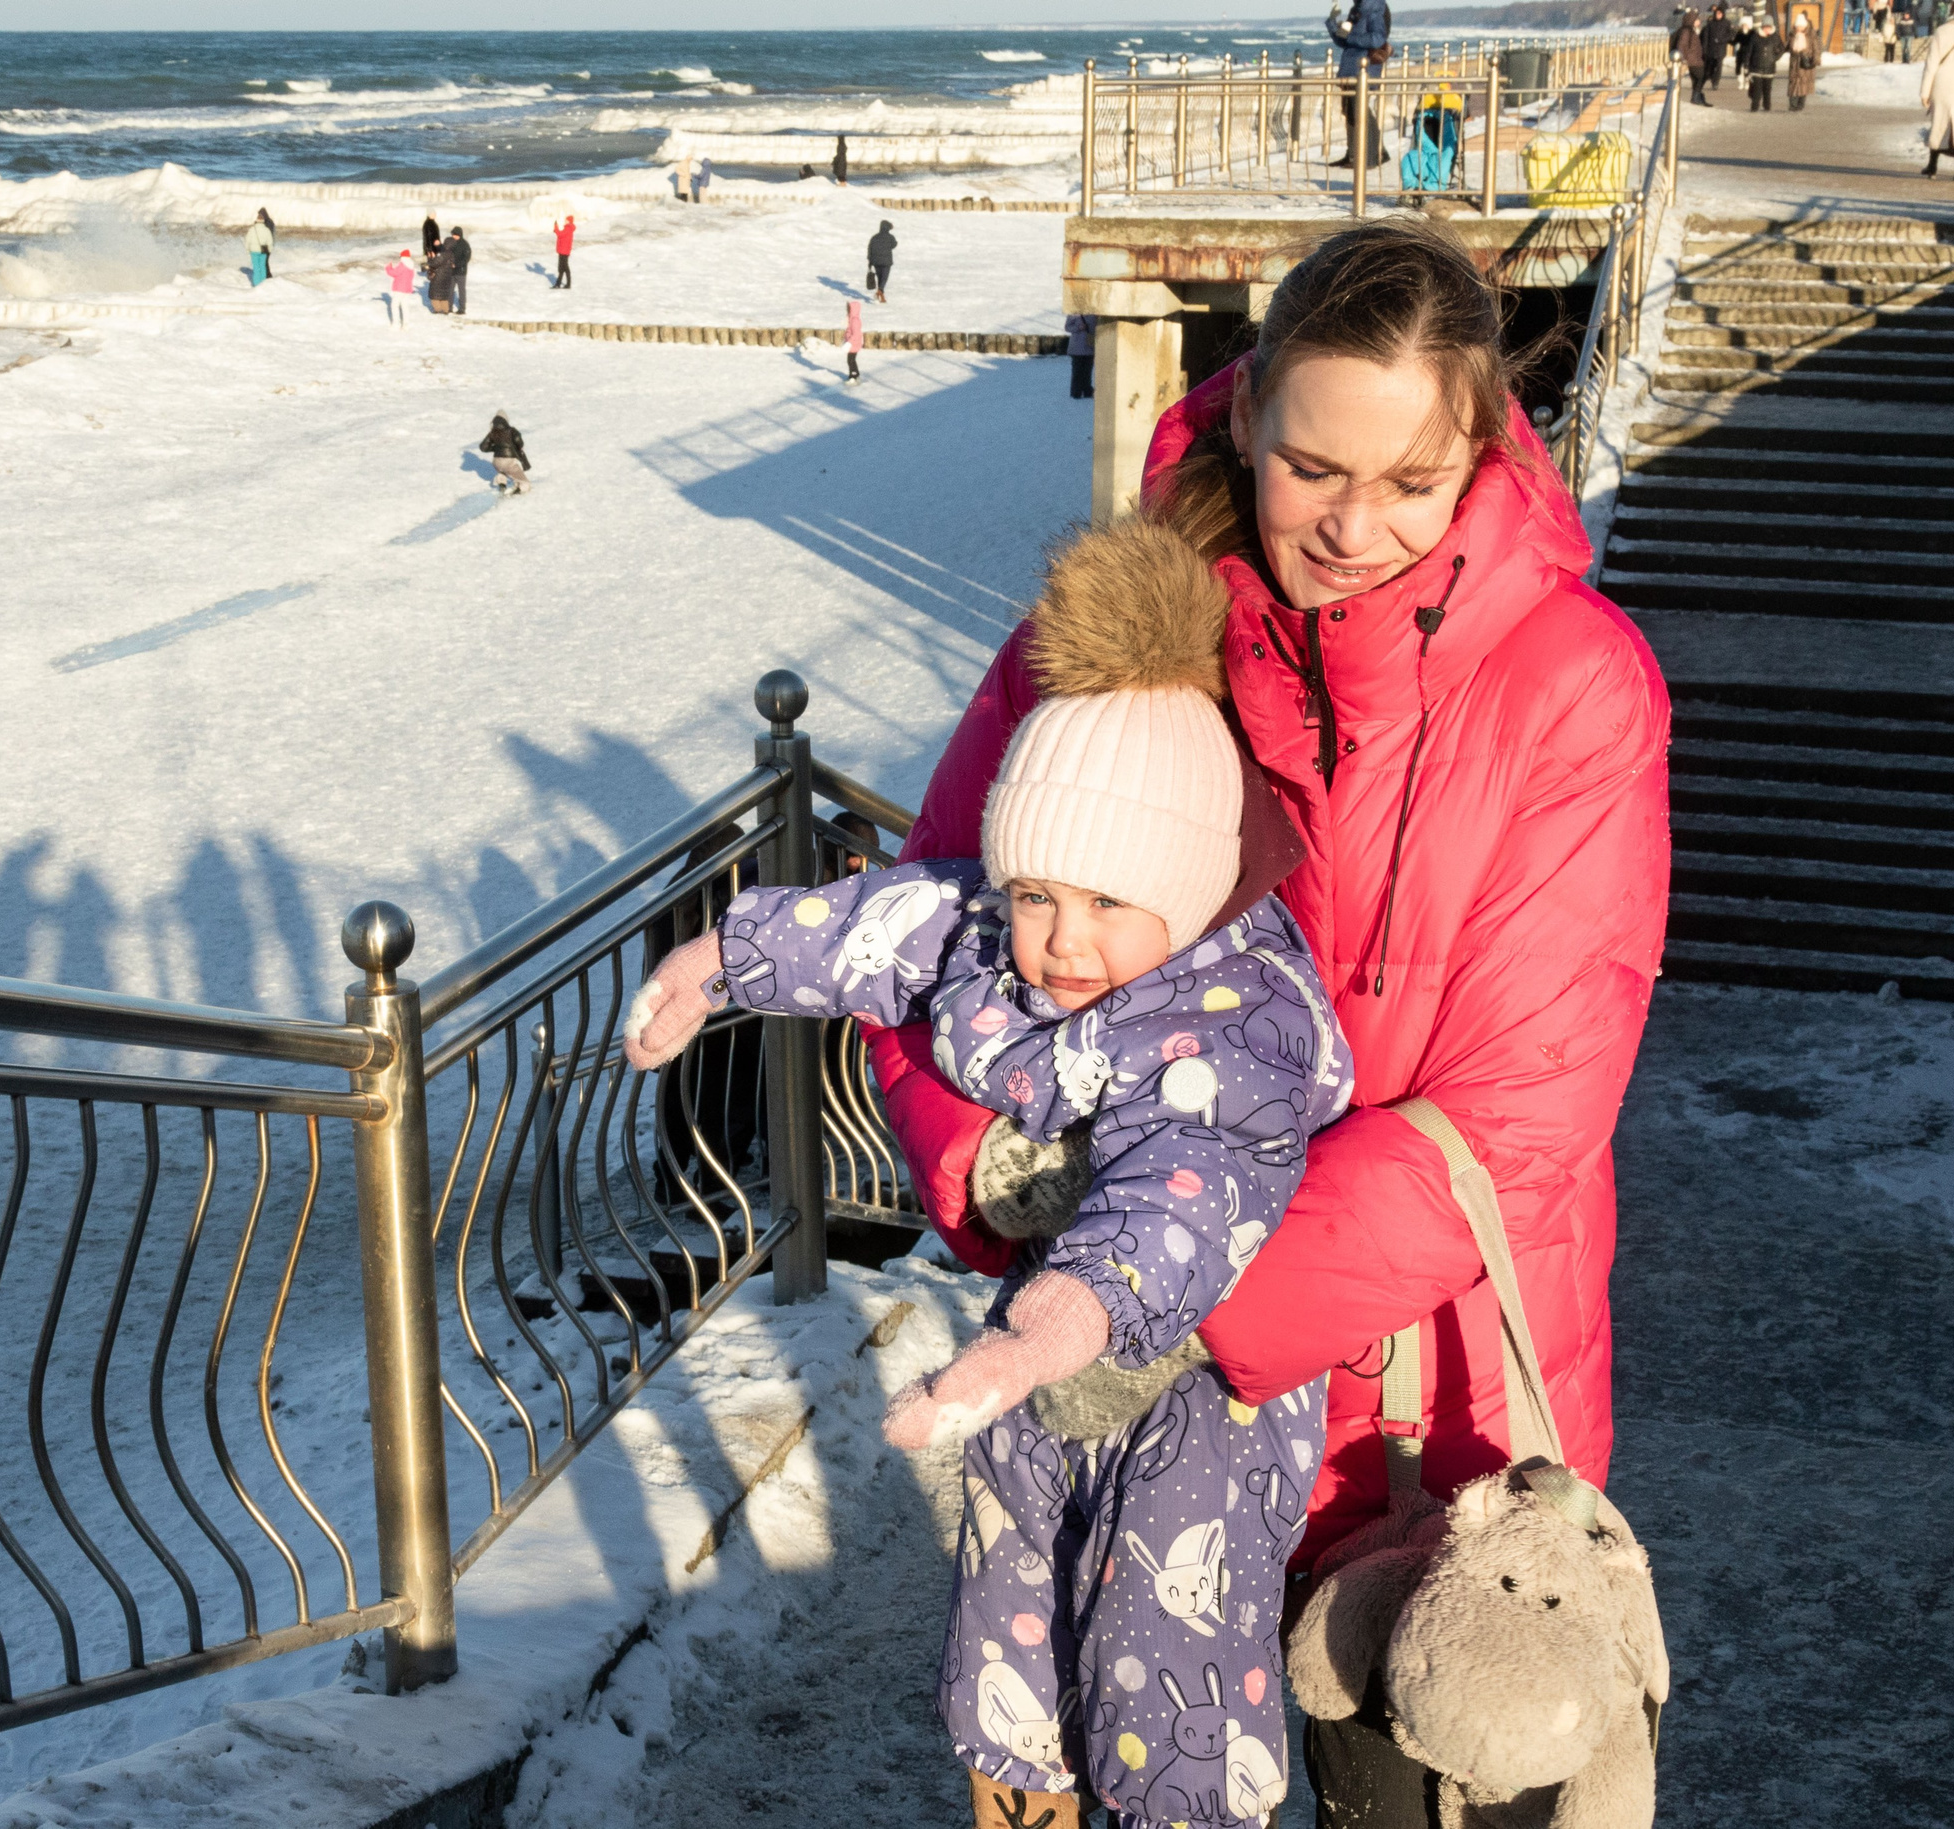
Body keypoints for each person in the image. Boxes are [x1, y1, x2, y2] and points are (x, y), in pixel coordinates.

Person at [865, 216, 1670, 1826]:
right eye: (1313, 470)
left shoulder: (1572, 685)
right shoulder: (1107, 642)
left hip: (1420, 1434)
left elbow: (1520, 1112)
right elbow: (933, 939)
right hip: (1130, 1425)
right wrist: (983, 1166)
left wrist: (1163, 1307)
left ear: (1481, 456)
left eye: (1411, 486)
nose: (1355, 529)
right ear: (1243, 418)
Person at [625, 518, 1346, 1829]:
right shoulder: (1001, 934)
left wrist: (1038, 1335)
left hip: (1201, 1384)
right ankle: (1022, 1795)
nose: (1060, 942)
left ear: (1182, 889)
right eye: (1037, 895)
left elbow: (1178, 1204)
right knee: (1015, 1604)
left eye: (1106, 904)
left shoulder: (1235, 1019)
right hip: (1036, 1352)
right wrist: (719, 963)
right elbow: (881, 925)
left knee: (1162, 1636)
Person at [1327, 0, 1392, 166]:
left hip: (1365, 67)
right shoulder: (1356, 10)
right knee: (1349, 110)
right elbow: (1345, 42)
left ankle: (1372, 155)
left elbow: (1377, 39)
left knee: (1360, 110)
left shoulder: (1374, 8)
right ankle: (1354, 154)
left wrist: (1350, 36)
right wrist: (1334, 25)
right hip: (1351, 66)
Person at [1922, 7, 1954, 170]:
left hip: (1942, 83)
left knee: (1938, 124)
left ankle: (1932, 165)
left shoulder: (1941, 31)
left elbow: (1931, 64)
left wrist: (1924, 92)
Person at [479, 411, 531, 492]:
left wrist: (495, 448)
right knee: (524, 482)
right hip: (509, 461)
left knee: (502, 470)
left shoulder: (492, 432)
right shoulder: (512, 431)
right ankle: (518, 492)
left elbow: (483, 447)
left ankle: (502, 483)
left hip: (496, 462)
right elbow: (519, 441)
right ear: (506, 420)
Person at [1746, 14, 1783, 109]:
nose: (1767, 29)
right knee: (1757, 90)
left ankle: (1767, 107)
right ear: (1762, 26)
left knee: (1767, 90)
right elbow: (1749, 52)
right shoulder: (1755, 37)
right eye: (1765, 27)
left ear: (1772, 27)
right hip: (1756, 68)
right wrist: (1746, 64)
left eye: (1769, 27)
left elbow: (1782, 48)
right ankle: (1754, 107)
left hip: (1769, 68)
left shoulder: (1775, 37)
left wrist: (1775, 57)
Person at [1788, 8, 1819, 107]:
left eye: (1800, 26)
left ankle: (1800, 105)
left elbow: (1816, 48)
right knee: (1793, 84)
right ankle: (1792, 105)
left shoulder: (1811, 36)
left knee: (1804, 86)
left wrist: (1815, 60)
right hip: (1794, 64)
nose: (1799, 28)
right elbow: (1787, 46)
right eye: (1797, 26)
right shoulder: (1792, 35)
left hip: (1805, 64)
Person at [1677, 8, 1709, 102]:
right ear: (1692, 20)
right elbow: (1682, 45)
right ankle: (1696, 97)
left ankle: (1696, 97)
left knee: (1697, 79)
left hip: (1695, 58)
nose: (1699, 21)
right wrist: (1682, 58)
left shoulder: (1691, 30)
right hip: (1693, 60)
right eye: (1697, 19)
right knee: (1701, 77)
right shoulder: (1687, 31)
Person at [865, 219, 897, 302]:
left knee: (880, 277)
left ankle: (881, 295)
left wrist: (870, 261)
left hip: (876, 262)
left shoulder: (874, 237)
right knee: (884, 278)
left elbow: (870, 249)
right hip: (886, 262)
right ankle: (880, 291)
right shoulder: (890, 237)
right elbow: (894, 245)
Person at [1704, 2, 1735, 89]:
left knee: (1718, 65)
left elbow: (1731, 34)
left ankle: (1715, 82)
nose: (1718, 15)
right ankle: (1712, 78)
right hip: (1711, 48)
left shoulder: (1727, 23)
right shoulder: (1710, 24)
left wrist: (1722, 40)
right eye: (1717, 13)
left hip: (1721, 48)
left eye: (1720, 13)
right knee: (1711, 66)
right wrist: (1704, 48)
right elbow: (1706, 36)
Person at [1066, 312, 1096, 399]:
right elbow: (1067, 327)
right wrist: (1079, 328)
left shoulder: (1094, 315)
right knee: (1077, 371)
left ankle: (1086, 390)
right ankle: (1076, 392)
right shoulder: (1074, 314)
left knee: (1087, 371)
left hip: (1089, 347)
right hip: (1077, 349)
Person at [444, 226, 472, 315]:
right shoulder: (451, 243)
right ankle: (449, 307)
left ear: (459, 235)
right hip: (451, 271)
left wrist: (456, 265)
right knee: (450, 290)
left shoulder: (465, 245)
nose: (453, 236)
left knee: (461, 290)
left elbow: (466, 259)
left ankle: (462, 308)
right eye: (452, 234)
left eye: (455, 235)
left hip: (461, 271)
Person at [384, 248, 415, 327]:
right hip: (407, 289)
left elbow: (394, 273)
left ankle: (396, 324)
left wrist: (388, 267)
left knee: (394, 305)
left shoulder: (403, 264)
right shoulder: (411, 265)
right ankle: (406, 324)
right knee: (405, 306)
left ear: (402, 257)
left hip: (400, 289)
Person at [245, 208, 276, 286]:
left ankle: (256, 284)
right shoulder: (266, 230)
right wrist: (269, 250)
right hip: (264, 251)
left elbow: (247, 240)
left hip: (254, 251)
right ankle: (263, 284)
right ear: (263, 221)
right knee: (263, 267)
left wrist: (248, 250)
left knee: (256, 268)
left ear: (256, 220)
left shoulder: (252, 229)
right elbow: (270, 241)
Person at [424, 239, 455, 315]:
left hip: (438, 276)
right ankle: (445, 310)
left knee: (434, 293)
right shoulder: (452, 254)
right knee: (444, 294)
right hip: (447, 277)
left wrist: (430, 258)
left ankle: (437, 309)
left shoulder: (442, 254)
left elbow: (435, 263)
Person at [552, 215, 575, 288]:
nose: (565, 221)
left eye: (566, 220)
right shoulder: (568, 228)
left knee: (563, 268)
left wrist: (556, 226)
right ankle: (561, 284)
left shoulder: (568, 228)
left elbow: (559, 234)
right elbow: (561, 234)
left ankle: (563, 284)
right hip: (564, 250)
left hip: (564, 251)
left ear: (569, 221)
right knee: (562, 268)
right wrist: (556, 229)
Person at [843, 296, 863, 383]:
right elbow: (848, 331)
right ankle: (855, 373)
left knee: (851, 360)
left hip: (854, 344)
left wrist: (849, 343)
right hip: (852, 343)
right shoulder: (851, 319)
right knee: (851, 360)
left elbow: (856, 334)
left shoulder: (855, 320)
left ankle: (854, 375)